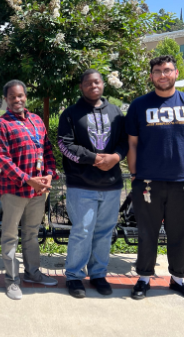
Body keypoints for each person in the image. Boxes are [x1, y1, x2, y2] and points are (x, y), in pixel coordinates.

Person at [126, 55, 184, 302]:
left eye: (167, 70)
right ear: (151, 76)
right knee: (146, 232)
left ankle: (179, 278)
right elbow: (132, 144)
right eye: (157, 71)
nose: (162, 75)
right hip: (148, 183)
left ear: (176, 73)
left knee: (180, 234)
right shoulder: (139, 106)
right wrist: (134, 176)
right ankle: (143, 278)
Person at [58, 69, 128, 299]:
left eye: (97, 82)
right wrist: (94, 158)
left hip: (111, 185)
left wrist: (115, 157)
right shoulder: (71, 113)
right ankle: (74, 276)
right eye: (88, 83)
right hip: (81, 185)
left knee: (104, 232)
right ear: (81, 87)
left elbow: (124, 141)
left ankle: (98, 274)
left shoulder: (116, 112)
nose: (93, 86)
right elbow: (64, 144)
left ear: (103, 84)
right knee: (82, 230)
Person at [0, 80, 59, 301]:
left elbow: (47, 149)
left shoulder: (37, 121)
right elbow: (2, 158)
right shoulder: (1, 124)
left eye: (21, 96)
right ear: (6, 99)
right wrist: (27, 179)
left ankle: (33, 273)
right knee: (10, 237)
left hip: (38, 192)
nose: (17, 100)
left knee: (31, 234)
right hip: (14, 190)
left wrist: (49, 174)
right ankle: (12, 281)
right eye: (13, 97)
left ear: (26, 96)